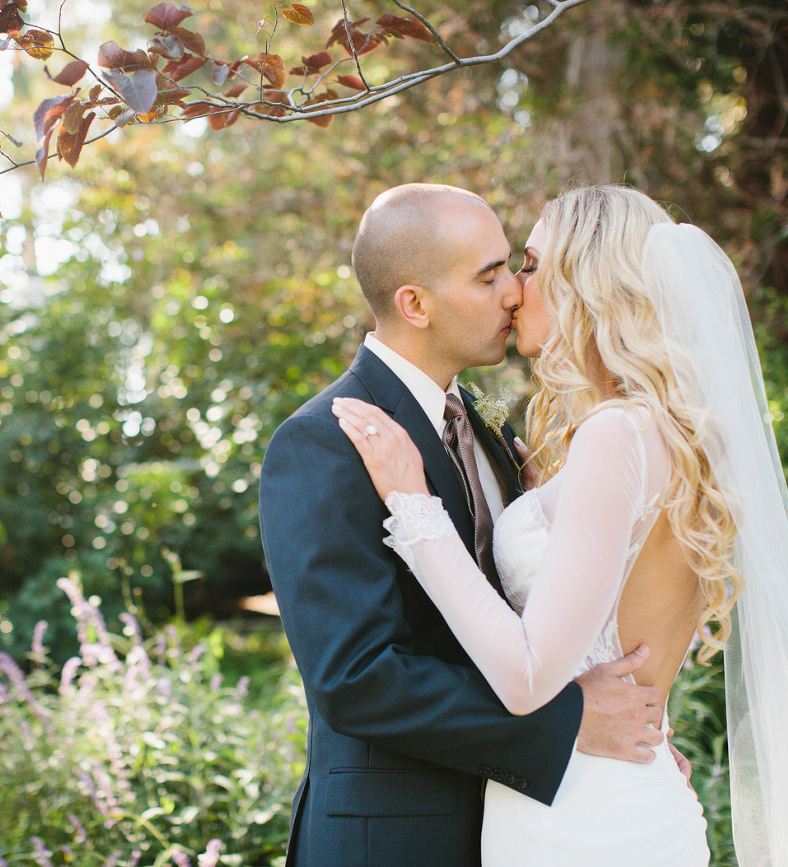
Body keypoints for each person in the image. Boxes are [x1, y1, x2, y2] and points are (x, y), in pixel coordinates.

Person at [331, 185, 788, 866]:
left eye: (533, 264)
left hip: (578, 817)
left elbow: (526, 675)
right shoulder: (670, 436)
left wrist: (413, 506)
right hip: (622, 787)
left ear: (587, 284)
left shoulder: (615, 437)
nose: (515, 289)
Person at [258, 183, 670, 867]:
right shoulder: (324, 442)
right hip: (392, 838)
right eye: (489, 276)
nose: (513, 291)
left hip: (524, 822)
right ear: (414, 304)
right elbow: (353, 677)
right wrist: (567, 721)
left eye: (513, 266)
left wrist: (628, 748)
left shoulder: (490, 431)